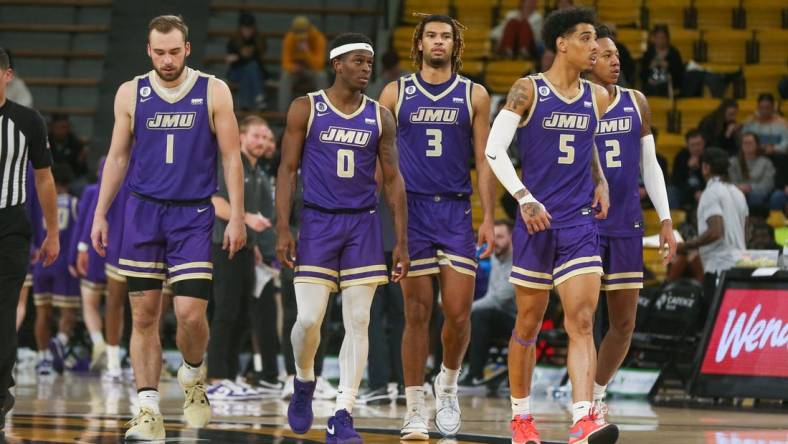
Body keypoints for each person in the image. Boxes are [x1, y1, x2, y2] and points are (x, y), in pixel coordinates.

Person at [89, 16, 246, 440]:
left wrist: (235, 214)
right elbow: (118, 157)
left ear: (188, 49)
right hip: (143, 213)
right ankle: (147, 409)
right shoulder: (131, 92)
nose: (167, 59)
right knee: (144, 315)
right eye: (159, 52)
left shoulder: (213, 90)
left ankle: (193, 373)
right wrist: (101, 213)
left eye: (174, 51)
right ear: (148, 50)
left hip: (193, 214)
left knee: (190, 315)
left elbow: (232, 157)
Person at [484, 7, 619, 444]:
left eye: (595, 39)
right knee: (528, 322)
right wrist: (523, 198)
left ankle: (583, 419)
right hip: (537, 220)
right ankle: (522, 418)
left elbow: (589, 143)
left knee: (581, 320)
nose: (594, 46)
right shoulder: (529, 90)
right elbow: (493, 150)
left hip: (579, 220)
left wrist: (599, 179)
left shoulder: (597, 97)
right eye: (585, 38)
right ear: (561, 43)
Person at [276, 33, 409, 442]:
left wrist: (401, 239)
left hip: (362, 225)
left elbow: (393, 179)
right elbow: (286, 169)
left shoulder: (380, 117)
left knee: (359, 319)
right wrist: (283, 225)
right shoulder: (306, 108)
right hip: (317, 222)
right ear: (337, 64)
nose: (366, 67)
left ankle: (343, 413)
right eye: (357, 60)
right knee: (309, 319)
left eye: (369, 61)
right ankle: (303, 380)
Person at [378, 14, 496, 439]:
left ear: (455, 44)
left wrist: (489, 217)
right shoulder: (395, 91)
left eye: (446, 36)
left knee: (459, 314)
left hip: (456, 213)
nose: (439, 42)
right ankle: (414, 407)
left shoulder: (474, 94)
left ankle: (446, 385)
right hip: (411, 214)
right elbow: (380, 159)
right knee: (415, 312)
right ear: (420, 42)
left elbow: (484, 160)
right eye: (432, 35)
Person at [586, 25, 677, 421]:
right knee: (581, 320)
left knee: (624, 323)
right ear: (589, 60)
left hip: (626, 223)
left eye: (617, 54)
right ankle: (580, 401)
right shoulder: (574, 102)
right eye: (606, 55)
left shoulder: (637, 102)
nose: (615, 60)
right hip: (585, 224)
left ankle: (595, 393)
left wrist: (668, 220)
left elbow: (651, 165)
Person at [0, 45, 59, 434]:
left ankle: (0, 398)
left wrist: (52, 232)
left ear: (8, 75)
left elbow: (44, 179)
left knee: (4, 313)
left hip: (10, 226)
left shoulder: (27, 121)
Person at [206, 115, 272, 400]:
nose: (263, 142)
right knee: (225, 312)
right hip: (223, 245)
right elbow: (215, 200)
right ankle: (216, 377)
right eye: (257, 135)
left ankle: (231, 376)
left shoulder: (259, 171)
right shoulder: (230, 162)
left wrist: (254, 244)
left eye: (267, 138)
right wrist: (245, 218)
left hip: (245, 247)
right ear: (242, 137)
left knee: (244, 314)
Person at [677, 147, 748, 313]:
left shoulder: (710, 193)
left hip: (719, 269)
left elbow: (716, 231)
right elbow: (746, 232)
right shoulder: (738, 193)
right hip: (740, 267)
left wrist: (685, 246)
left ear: (706, 167)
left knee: (715, 321)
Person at [32, 163, 80, 376]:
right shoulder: (74, 203)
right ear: (68, 183)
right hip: (63, 264)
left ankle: (42, 359)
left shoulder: (40, 202)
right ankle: (60, 341)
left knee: (43, 313)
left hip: (41, 263)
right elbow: (80, 234)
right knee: (68, 311)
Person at [461, 219, 515, 387]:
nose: (495, 242)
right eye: (493, 237)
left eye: (500, 237)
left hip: (516, 319)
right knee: (448, 316)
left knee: (479, 315)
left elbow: (499, 298)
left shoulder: (519, 260)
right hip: (496, 314)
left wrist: (466, 310)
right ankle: (439, 371)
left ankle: (475, 375)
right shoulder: (495, 257)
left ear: (512, 238)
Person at [70, 157, 109, 371]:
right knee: (117, 307)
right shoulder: (131, 188)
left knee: (89, 304)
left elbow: (83, 223)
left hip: (92, 252)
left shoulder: (92, 191)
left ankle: (98, 341)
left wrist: (76, 252)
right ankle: (115, 352)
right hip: (117, 251)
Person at [278, 16, 327, 113]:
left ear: (309, 29)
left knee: (322, 75)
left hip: (311, 70)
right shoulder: (289, 38)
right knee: (285, 76)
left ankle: (323, 111)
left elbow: (319, 65)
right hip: (296, 71)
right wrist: (293, 67)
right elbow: (285, 63)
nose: (301, 38)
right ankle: (283, 113)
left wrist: (306, 52)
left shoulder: (318, 38)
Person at [226, 12, 267, 111]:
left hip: (252, 72)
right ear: (241, 28)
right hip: (235, 72)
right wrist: (243, 56)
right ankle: (259, 97)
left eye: (250, 28)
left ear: (254, 28)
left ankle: (244, 104)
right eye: (245, 28)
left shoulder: (259, 40)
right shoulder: (234, 40)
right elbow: (230, 61)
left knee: (249, 70)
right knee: (250, 68)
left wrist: (239, 57)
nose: (248, 31)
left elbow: (259, 57)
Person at [728, 132, 776, 206]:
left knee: (756, 196)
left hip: (757, 193)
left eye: (750, 143)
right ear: (741, 145)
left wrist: (750, 187)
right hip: (736, 191)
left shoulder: (766, 162)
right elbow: (729, 181)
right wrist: (739, 188)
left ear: (757, 145)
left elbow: (768, 184)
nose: (747, 145)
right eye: (745, 143)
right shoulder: (733, 162)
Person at [640, 25, 684, 97]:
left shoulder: (674, 53)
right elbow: (642, 74)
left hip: (668, 85)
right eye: (658, 38)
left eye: (663, 38)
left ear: (667, 39)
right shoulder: (648, 53)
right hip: (650, 84)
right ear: (654, 38)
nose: (660, 40)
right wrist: (650, 66)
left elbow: (680, 73)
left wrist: (668, 66)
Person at [670, 129, 706, 209]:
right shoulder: (681, 157)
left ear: (704, 144)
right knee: (671, 191)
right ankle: (673, 218)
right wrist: (688, 167)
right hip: (685, 190)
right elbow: (677, 181)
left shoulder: (708, 157)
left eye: (699, 144)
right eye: (692, 145)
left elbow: (710, 180)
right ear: (687, 145)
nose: (696, 148)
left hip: (704, 190)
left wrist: (699, 168)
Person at [48, 114, 88, 180]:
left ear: (68, 128)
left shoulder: (76, 143)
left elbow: (82, 171)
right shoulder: (45, 142)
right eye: (57, 127)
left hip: (71, 181)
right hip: (50, 179)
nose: (60, 131)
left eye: (63, 127)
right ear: (52, 127)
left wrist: (81, 162)